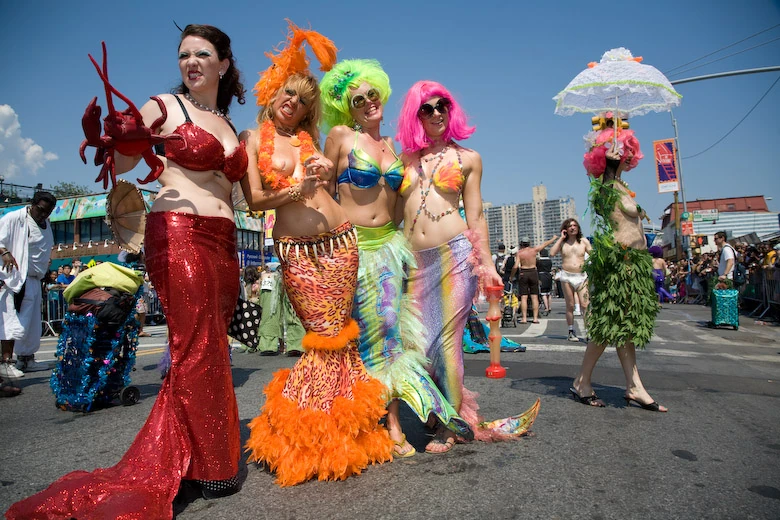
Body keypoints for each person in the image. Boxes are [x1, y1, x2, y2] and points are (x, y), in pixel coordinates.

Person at [8, 24, 248, 519]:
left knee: (211, 343)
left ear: (224, 63)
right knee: (196, 344)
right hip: (179, 231)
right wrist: (120, 137)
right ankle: (207, 465)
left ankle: (206, 454)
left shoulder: (228, 121)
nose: (191, 62)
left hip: (225, 242)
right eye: (184, 55)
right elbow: (120, 156)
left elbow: (242, 189)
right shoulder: (164, 106)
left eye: (202, 54)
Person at [240, 22, 394, 486]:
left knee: (342, 336)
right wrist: (294, 189)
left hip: (342, 242)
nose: (295, 103)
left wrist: (325, 173)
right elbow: (254, 201)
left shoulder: (307, 140)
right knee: (322, 335)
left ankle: (349, 432)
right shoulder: (254, 141)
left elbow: (327, 189)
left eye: (304, 100)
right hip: (299, 251)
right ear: (273, 93)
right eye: (289, 94)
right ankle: (309, 436)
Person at [321, 59, 471, 458]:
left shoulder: (392, 147)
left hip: (392, 247)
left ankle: (393, 420)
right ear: (346, 108)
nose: (368, 103)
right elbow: (321, 192)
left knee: (391, 335)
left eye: (373, 95)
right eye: (358, 99)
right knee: (366, 336)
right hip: (357, 248)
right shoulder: (339, 136)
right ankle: (378, 422)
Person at [397, 80, 538, 451]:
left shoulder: (468, 158)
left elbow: (475, 217)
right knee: (416, 345)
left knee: (446, 344)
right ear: (416, 116)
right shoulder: (404, 161)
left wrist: (488, 265)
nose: (436, 113)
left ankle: (450, 425)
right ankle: (436, 408)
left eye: (442, 105)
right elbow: (389, 213)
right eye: (427, 108)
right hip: (414, 262)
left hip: (454, 256)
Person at [570, 120, 666, 412]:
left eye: (626, 149)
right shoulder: (607, 184)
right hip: (619, 263)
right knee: (608, 325)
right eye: (618, 150)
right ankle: (583, 381)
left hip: (635, 264)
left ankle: (632, 386)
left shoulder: (622, 184)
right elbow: (600, 204)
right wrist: (610, 169)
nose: (623, 153)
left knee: (624, 327)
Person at [0, 191, 57, 378]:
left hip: (35, 279)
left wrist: (45, 272)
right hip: (17, 278)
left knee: (31, 323)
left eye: (47, 212)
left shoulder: (46, 224)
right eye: (41, 210)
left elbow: (40, 252)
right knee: (13, 321)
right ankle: (5, 362)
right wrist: (5, 253)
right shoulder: (15, 218)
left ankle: (26, 359)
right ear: (32, 204)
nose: (43, 215)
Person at [550, 218, 592, 341]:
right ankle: (571, 330)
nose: (572, 228)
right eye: (569, 226)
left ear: (578, 228)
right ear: (565, 229)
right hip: (566, 276)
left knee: (585, 304)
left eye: (574, 225)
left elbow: (593, 255)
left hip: (581, 276)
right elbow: (552, 253)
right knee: (570, 305)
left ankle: (589, 331)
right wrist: (560, 238)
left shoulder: (583, 242)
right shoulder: (563, 243)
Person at [510, 236, 557, 324]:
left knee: (524, 297)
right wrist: (553, 238)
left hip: (523, 272)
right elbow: (545, 244)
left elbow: (516, 266)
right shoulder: (534, 250)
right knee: (534, 296)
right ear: (529, 243)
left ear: (521, 244)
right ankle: (535, 318)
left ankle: (524, 318)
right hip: (533, 272)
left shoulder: (519, 253)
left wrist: (511, 276)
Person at [537, 248, 554, 316]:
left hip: (542, 276)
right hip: (549, 276)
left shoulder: (539, 261)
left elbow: (537, 269)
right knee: (549, 293)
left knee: (543, 293)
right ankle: (549, 307)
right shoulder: (549, 260)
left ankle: (546, 307)